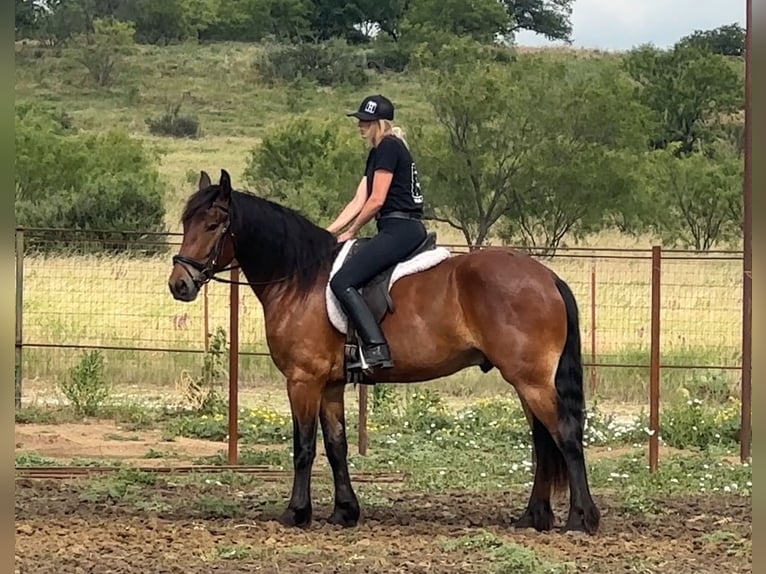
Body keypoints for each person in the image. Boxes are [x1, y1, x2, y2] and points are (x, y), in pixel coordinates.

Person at [327, 94, 427, 370]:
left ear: (379, 123)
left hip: (401, 228)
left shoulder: (389, 147)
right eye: (360, 120)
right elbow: (359, 200)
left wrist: (354, 230)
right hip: (396, 227)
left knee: (342, 281)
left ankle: (375, 347)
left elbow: (377, 200)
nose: (360, 125)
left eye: (366, 121)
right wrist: (327, 232)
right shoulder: (377, 153)